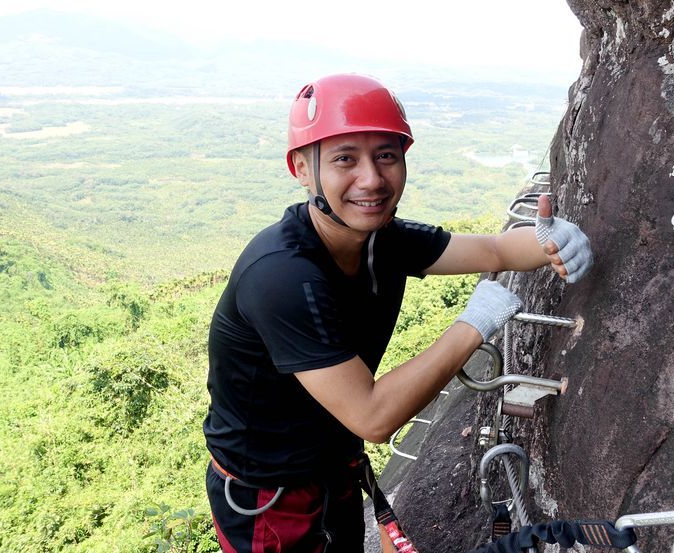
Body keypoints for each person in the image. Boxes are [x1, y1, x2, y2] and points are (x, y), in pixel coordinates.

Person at [203, 73, 593, 553]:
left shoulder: (381, 241)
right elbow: (373, 416)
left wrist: (551, 241)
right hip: (271, 499)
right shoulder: (279, 276)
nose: (371, 178)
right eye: (345, 158)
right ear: (302, 169)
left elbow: (494, 249)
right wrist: (473, 325)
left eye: (386, 155)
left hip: (333, 468)